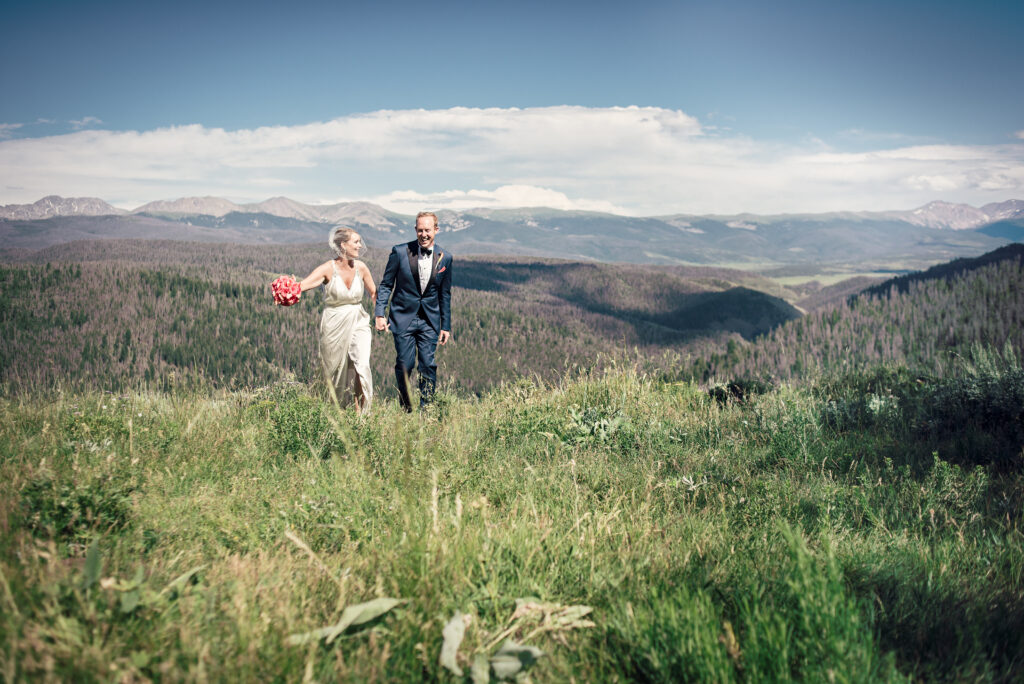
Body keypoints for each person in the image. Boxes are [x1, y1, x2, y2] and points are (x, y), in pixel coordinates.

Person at [375, 211, 453, 411]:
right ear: (415, 230)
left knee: (428, 365)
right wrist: (379, 314)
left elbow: (444, 294)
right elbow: (386, 285)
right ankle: (406, 408)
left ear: (436, 230)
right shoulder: (399, 252)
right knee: (405, 365)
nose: (424, 234)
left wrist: (446, 326)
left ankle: (427, 410)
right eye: (420, 230)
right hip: (403, 318)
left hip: (429, 320)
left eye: (428, 230)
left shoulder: (446, 257)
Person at [293, 226, 376, 412]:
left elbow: (374, 293)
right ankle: (333, 411)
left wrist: (381, 315)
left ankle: (362, 416)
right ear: (343, 245)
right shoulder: (327, 269)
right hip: (334, 323)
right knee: (333, 372)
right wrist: (287, 291)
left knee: (361, 365)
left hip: (358, 320)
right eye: (356, 242)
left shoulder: (361, 268)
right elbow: (302, 286)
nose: (360, 245)